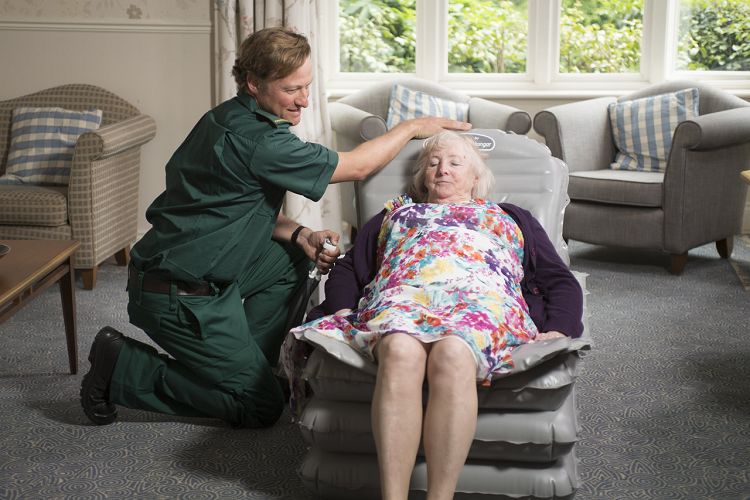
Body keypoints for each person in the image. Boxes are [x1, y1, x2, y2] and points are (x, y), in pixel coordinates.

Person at [79, 27, 470, 429]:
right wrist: (410, 127)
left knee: (289, 259)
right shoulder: (262, 143)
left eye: (307, 87)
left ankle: (250, 365)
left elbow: (239, 208)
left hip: (206, 268)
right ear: (254, 83)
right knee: (261, 407)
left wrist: (301, 234)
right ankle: (122, 367)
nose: (303, 100)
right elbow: (357, 166)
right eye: (291, 90)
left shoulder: (227, 115)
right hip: (180, 294)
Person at [292, 131, 584, 500]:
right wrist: (344, 310)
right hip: (405, 297)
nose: (442, 170)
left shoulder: (510, 217)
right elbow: (349, 269)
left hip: (481, 303)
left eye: (455, 163)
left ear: (476, 178)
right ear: (422, 176)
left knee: (453, 353)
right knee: (399, 349)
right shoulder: (397, 214)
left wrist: (559, 328)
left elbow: (558, 279)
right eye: (433, 163)